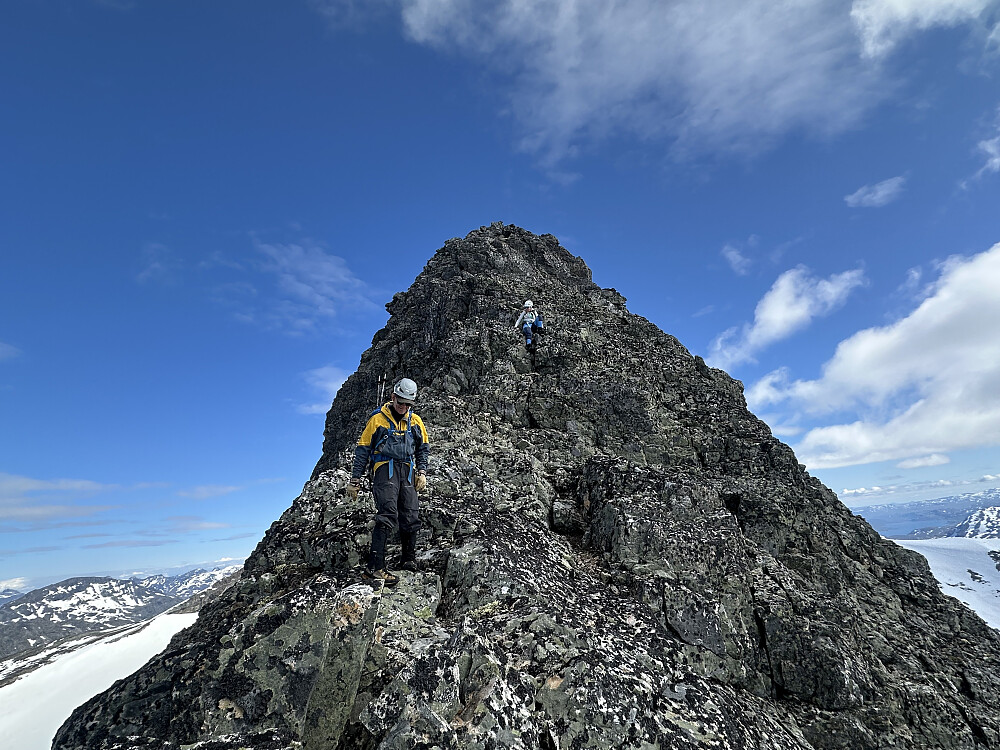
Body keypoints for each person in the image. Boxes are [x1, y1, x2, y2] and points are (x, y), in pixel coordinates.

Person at [347, 377, 429, 587]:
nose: (403, 407)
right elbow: (363, 449)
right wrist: (355, 480)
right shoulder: (377, 420)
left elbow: (423, 448)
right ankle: (374, 568)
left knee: (411, 513)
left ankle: (408, 559)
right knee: (388, 513)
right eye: (400, 402)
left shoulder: (415, 421)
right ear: (393, 397)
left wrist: (422, 471)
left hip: (408, 470)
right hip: (385, 469)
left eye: (408, 404)